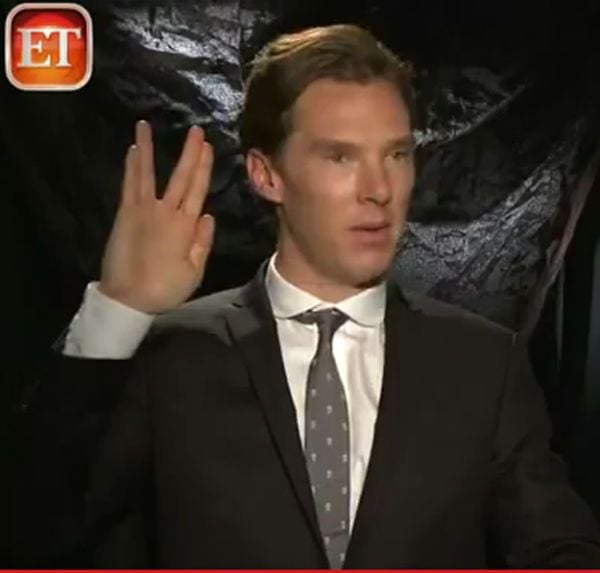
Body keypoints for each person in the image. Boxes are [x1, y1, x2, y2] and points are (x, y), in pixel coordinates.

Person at [9, 24, 600, 568]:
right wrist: (120, 306)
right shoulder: (172, 357)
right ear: (267, 175)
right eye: (340, 155)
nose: (379, 190)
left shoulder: (482, 365)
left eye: (396, 154)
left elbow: (559, 548)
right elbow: (40, 531)